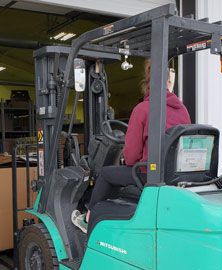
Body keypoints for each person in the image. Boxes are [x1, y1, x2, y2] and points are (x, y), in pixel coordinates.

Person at [77, 60, 191, 231]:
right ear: (168, 81)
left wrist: (126, 154)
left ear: (147, 83)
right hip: (175, 176)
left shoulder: (142, 109)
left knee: (107, 174)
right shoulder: (183, 109)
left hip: (149, 175)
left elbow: (130, 157)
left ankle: (89, 217)